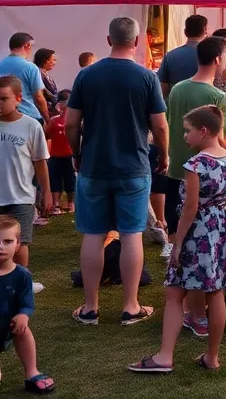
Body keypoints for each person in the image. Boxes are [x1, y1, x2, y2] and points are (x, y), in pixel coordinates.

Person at [128, 105, 226, 374]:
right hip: (222, 227)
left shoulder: (196, 164)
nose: (184, 136)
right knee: (216, 291)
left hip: (198, 231)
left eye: (187, 131)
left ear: (203, 131)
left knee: (174, 292)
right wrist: (215, 202)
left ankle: (165, 356)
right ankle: (212, 357)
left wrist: (177, 243)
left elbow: (190, 208)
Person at [66, 17, 167, 327]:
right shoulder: (146, 77)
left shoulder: (86, 75)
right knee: (131, 234)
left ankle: (90, 307)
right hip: (133, 166)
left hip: (94, 165)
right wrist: (163, 154)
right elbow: (160, 125)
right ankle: (130, 306)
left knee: (94, 234)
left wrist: (77, 154)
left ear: (109, 40)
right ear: (136, 41)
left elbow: (71, 124)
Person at [164, 36, 226, 335]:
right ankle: (197, 313)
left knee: (182, 245)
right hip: (204, 178)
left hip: (176, 172)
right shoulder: (216, 95)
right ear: (218, 59)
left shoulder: (178, 88)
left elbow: (170, 123)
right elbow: (223, 139)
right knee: (201, 253)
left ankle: (191, 311)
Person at [0, 77, 50, 285]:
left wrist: (46, 192)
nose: (0, 103)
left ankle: (21, 283)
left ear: (18, 98)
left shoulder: (31, 126)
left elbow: (40, 162)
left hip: (21, 196)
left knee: (20, 242)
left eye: (4, 98)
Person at [0, 216, 53, 394]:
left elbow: (27, 302)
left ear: (18, 244)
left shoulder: (22, 275)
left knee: (24, 332)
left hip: (10, 324)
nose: (0, 246)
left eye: (7, 241)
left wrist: (23, 314)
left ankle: (32, 372)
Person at [0, 34, 50, 125]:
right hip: (28, 115)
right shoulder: (30, 67)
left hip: (4, 116)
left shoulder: (1, 65)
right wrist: (47, 119)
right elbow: (38, 97)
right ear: (27, 46)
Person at [158, 15, 209, 99]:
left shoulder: (170, 56)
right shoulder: (211, 56)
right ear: (205, 31)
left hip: (176, 103)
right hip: (205, 103)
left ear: (185, 32)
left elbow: (163, 89)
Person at [45, 91, 74, 214]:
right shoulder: (54, 120)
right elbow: (47, 134)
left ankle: (70, 203)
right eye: (61, 102)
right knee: (55, 179)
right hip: (55, 155)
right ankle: (56, 204)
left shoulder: (74, 119)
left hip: (69, 154)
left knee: (70, 180)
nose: (63, 106)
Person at [33, 49, 56, 115]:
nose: (54, 63)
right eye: (53, 60)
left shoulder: (43, 74)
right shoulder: (38, 75)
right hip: (45, 111)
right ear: (45, 61)